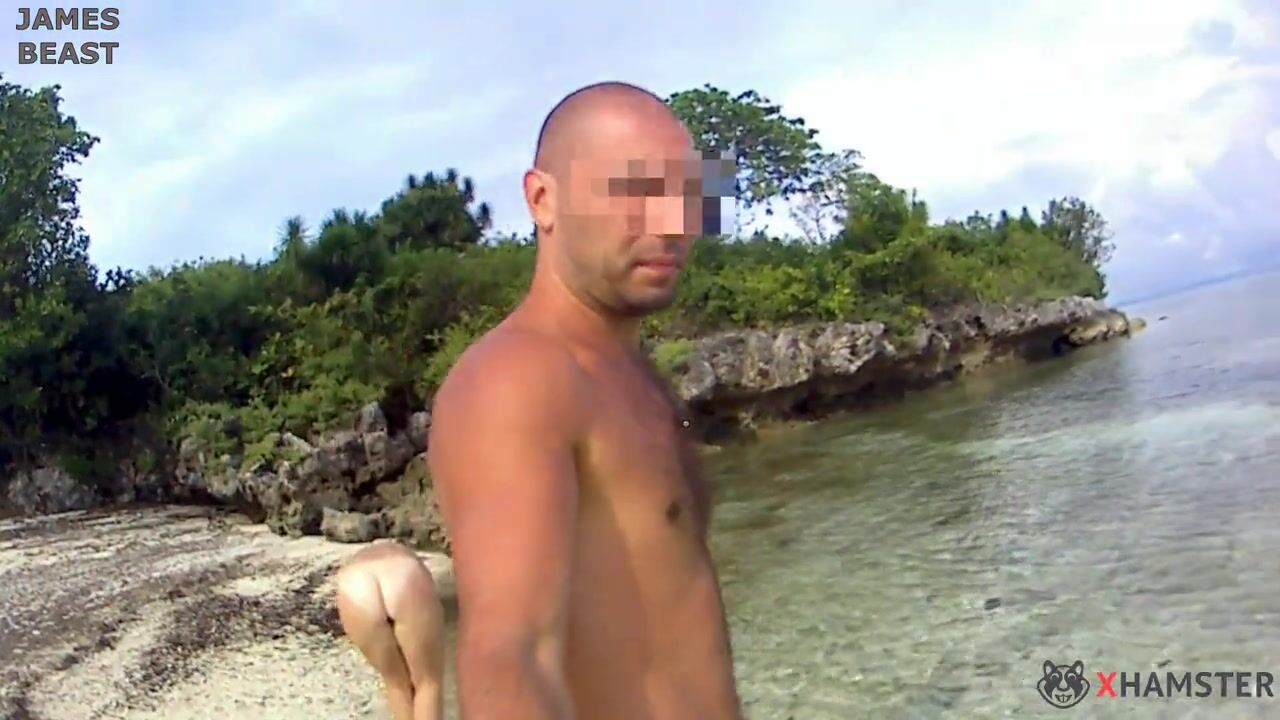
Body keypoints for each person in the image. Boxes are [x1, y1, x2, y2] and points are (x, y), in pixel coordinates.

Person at [427, 81, 744, 719]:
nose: (673, 223)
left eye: (687, 193)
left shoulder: (631, 374)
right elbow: (509, 656)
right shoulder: (519, 379)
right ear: (543, 200)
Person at [334, 539, 446, 720]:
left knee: (396, 684)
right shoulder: (406, 556)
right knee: (427, 684)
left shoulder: (355, 561)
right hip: (404, 575)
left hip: (355, 584)